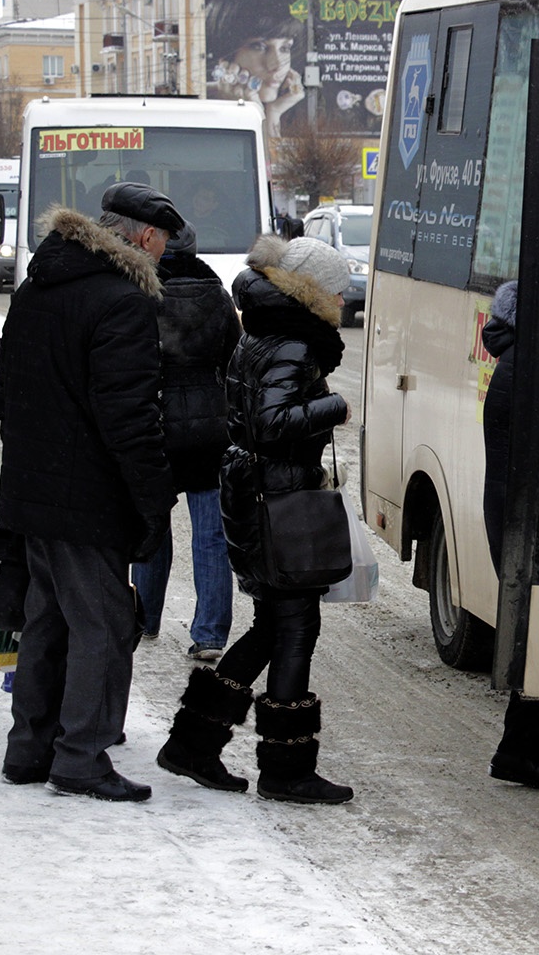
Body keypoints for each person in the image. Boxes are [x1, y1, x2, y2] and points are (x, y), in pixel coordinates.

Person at [0, 182, 180, 803]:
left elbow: (7, 390)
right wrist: (153, 501)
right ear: (145, 238)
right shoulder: (122, 302)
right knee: (103, 624)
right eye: (163, 242)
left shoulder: (35, 287)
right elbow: (131, 418)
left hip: (34, 488)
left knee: (47, 616)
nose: (163, 254)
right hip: (87, 496)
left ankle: (31, 747)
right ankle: (81, 756)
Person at [157, 234, 353, 803]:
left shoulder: (264, 327)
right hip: (280, 499)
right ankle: (285, 770)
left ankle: (193, 743)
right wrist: (332, 406)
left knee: (273, 625)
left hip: (257, 495)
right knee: (294, 629)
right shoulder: (293, 342)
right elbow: (272, 422)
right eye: (337, 292)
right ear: (313, 292)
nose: (343, 302)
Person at [479, 279, 539, 791]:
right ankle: (517, 752)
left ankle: (517, 751)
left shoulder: (516, 360)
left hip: (513, 514)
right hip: (523, 522)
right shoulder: (528, 370)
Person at [131, 223, 242, 660]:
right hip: (210, 430)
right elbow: (235, 361)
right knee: (212, 535)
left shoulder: (139, 295)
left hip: (155, 426)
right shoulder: (217, 298)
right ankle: (211, 633)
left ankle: (145, 618)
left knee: (153, 528)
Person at [205, 0, 306, 138]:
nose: (277, 65)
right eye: (259, 47)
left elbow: (268, 161)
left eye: (285, 48)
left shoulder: (297, 112)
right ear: (225, 56)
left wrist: (273, 112)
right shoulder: (200, 108)